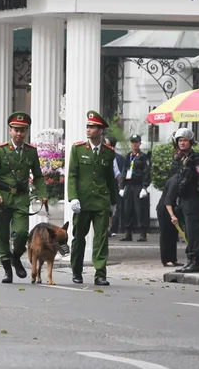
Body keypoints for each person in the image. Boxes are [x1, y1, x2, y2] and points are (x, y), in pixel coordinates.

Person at [0, 112, 47, 283]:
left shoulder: (31, 152)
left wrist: (43, 194)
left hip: (21, 198)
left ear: (26, 132)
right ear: (10, 130)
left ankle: (16, 257)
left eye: (22, 130)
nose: (19, 134)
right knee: (2, 235)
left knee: (21, 233)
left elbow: (38, 176)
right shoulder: (0, 150)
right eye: (16, 130)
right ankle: (7, 271)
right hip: (2, 199)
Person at [68, 110, 118, 286]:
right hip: (82, 201)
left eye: (92, 127)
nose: (88, 129)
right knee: (78, 237)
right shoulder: (78, 148)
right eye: (87, 126)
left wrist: (113, 202)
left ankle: (100, 273)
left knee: (101, 239)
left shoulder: (108, 152)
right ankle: (76, 270)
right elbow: (72, 175)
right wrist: (72, 198)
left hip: (101, 201)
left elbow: (110, 179)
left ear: (100, 130)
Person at [167, 128, 199, 273]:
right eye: (180, 140)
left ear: (190, 142)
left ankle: (195, 261)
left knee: (193, 231)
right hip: (184, 200)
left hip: (193, 199)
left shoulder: (196, 159)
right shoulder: (182, 159)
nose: (182, 143)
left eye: (185, 140)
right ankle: (190, 260)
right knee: (188, 231)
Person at [119, 134, 151, 242]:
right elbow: (124, 171)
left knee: (140, 210)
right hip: (128, 185)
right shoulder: (128, 156)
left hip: (138, 185)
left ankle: (143, 233)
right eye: (132, 142)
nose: (134, 144)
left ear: (140, 143)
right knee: (128, 210)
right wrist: (122, 187)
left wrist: (144, 187)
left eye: (136, 142)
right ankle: (128, 233)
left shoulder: (143, 157)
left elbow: (147, 172)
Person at [105, 136, 124, 237]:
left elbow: (118, 174)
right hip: (102, 186)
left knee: (113, 208)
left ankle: (111, 228)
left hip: (113, 187)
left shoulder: (116, 157)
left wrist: (121, 187)